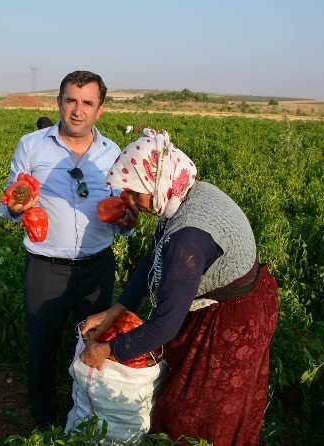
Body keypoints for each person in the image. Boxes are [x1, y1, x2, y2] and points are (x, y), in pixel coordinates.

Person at [80, 129, 279, 446]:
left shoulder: (187, 240)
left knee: (194, 414)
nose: (129, 201)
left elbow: (165, 325)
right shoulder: (182, 193)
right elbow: (152, 257)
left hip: (233, 320)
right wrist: (113, 312)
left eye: (134, 192)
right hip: (233, 301)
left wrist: (107, 350)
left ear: (155, 182)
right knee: (191, 392)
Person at [0, 70, 139, 429]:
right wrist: (15, 207)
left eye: (87, 103)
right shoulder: (31, 145)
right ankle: (44, 420)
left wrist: (129, 223)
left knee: (93, 345)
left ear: (100, 109)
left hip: (97, 266)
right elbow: (9, 201)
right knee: (42, 346)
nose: (78, 110)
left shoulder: (113, 154)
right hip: (46, 267)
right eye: (71, 101)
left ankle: (86, 416)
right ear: (59, 102)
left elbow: (123, 214)